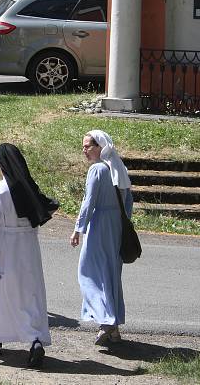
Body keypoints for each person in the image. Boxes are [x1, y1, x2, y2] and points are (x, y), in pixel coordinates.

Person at [0, 143, 56, 368]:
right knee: (28, 293)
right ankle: (34, 339)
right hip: (27, 247)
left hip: (2, 245)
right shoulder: (29, 187)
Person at [71, 130, 133, 346]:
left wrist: (79, 228)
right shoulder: (118, 166)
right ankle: (112, 327)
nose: (84, 150)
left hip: (99, 225)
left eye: (88, 146)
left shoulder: (97, 170)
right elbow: (129, 200)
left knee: (89, 272)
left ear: (100, 147)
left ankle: (106, 321)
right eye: (84, 146)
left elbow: (89, 202)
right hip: (115, 225)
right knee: (110, 273)